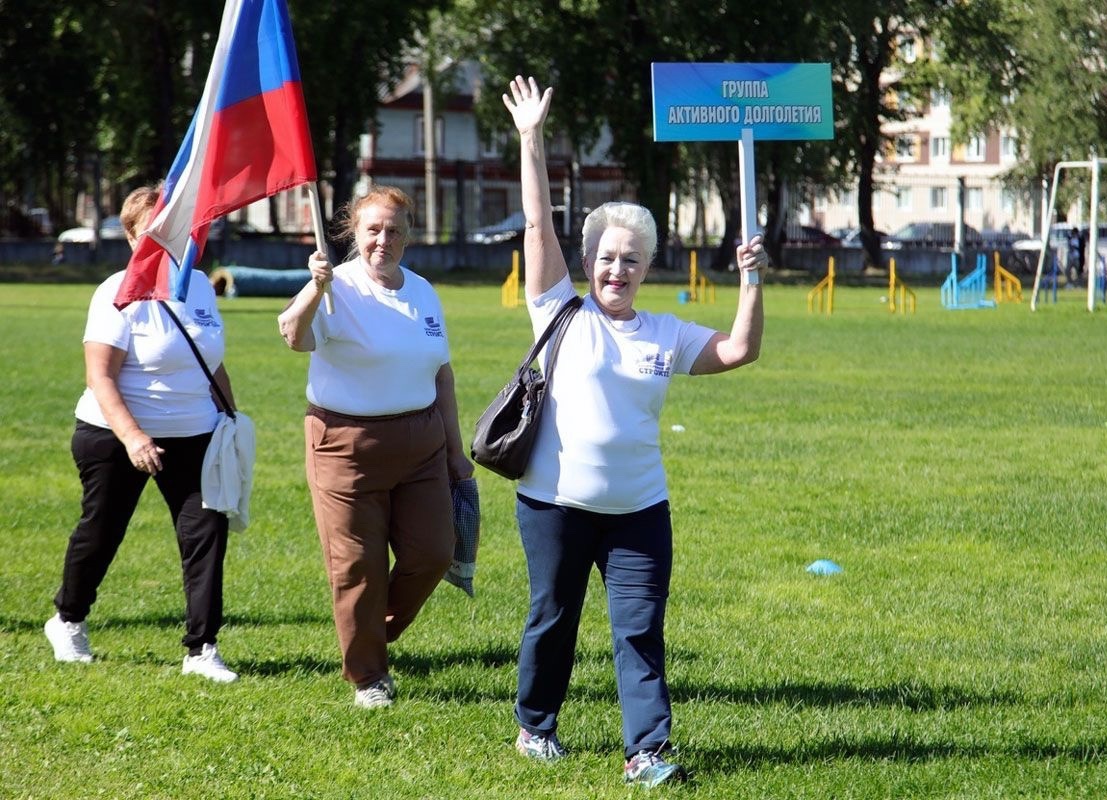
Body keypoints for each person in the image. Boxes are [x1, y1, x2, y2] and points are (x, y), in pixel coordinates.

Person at [501, 76, 765, 787]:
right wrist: (532, 141)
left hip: (641, 512)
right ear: (589, 263)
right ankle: (535, 727)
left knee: (640, 633)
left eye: (632, 260)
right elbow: (536, 228)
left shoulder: (666, 332)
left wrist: (751, 282)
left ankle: (646, 750)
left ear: (647, 269)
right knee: (552, 622)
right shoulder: (559, 310)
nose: (617, 269)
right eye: (607, 257)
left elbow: (739, 351)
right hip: (554, 505)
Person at [277, 185, 473, 709]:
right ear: (354, 234)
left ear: (409, 236)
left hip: (422, 440)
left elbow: (442, 373)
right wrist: (313, 289)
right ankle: (368, 676)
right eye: (372, 230)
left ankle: (368, 632)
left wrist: (455, 451)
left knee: (435, 553)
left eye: (393, 230)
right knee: (357, 565)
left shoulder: (424, 291)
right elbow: (293, 336)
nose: (382, 240)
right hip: (346, 444)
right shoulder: (335, 286)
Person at [45, 185, 239, 683]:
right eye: (150, 232)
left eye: (171, 229)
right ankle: (67, 620)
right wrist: (133, 438)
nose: (162, 240)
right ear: (131, 237)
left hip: (194, 434)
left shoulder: (197, 285)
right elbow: (100, 376)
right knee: (103, 530)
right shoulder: (114, 293)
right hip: (113, 436)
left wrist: (231, 420)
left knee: (206, 534)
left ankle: (202, 649)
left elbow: (211, 361)